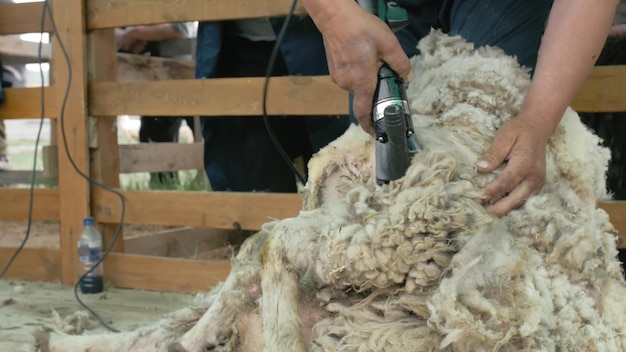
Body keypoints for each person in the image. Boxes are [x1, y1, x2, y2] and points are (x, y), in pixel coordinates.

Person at [298, 0, 620, 216]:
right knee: (374, 172)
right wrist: (333, 14)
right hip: (386, 8)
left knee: (487, 172)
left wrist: (538, 118)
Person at [195, 18, 353, 193]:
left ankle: (333, 209)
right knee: (261, 147)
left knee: (330, 142)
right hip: (244, 49)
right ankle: (275, 214)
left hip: (312, 40)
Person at [116, 22, 197, 186]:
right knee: (154, 141)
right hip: (152, 76)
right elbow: (107, 25)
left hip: (186, 73)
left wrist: (137, 33)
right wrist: (126, 37)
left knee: (210, 138)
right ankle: (166, 195)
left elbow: (183, 28)